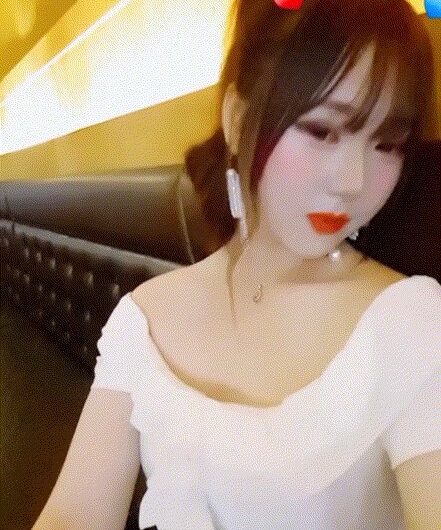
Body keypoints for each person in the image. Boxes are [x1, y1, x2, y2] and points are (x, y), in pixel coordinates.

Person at [33, 0, 440, 529]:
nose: (352, 182)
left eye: (387, 145)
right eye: (321, 130)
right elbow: (73, 514)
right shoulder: (143, 319)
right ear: (238, 118)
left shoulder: (411, 320)